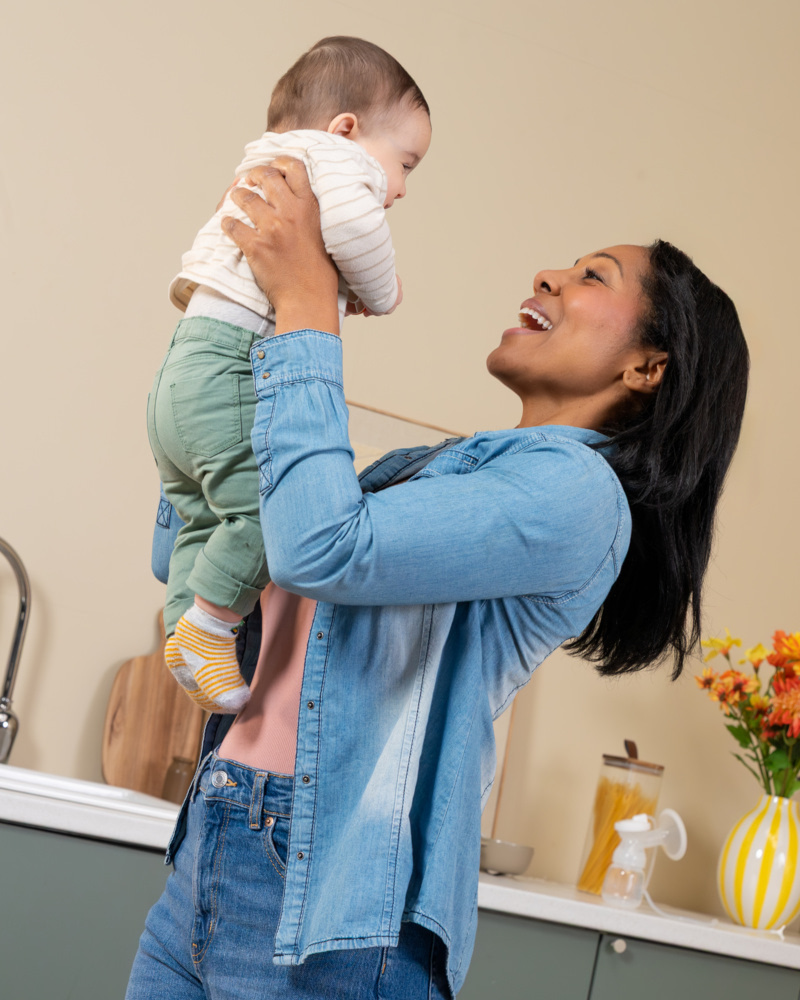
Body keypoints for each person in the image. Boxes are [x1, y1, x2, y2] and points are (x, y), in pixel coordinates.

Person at [127, 160, 749, 999]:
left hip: (330, 913)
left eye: (592, 276)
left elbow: (320, 548)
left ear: (648, 367)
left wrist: (309, 304)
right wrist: (229, 316)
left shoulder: (578, 496)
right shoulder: (435, 471)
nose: (549, 276)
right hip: (218, 840)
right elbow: (192, 559)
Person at [147, 37, 432, 714]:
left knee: (203, 515)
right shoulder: (330, 157)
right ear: (346, 129)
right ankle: (210, 625)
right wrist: (382, 290)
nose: (400, 188)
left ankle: (186, 631)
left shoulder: (266, 158)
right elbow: (357, 231)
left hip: (181, 373)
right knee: (265, 509)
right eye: (404, 164)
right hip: (231, 367)